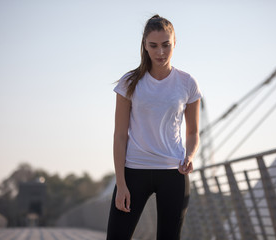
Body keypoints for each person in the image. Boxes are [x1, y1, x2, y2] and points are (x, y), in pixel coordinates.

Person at [106, 14, 202, 240]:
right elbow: (120, 136)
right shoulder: (129, 82)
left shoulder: (187, 83)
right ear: (145, 46)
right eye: (154, 46)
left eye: (166, 45)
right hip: (134, 171)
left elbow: (193, 132)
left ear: (175, 43)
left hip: (173, 172)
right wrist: (121, 184)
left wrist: (190, 155)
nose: (160, 52)